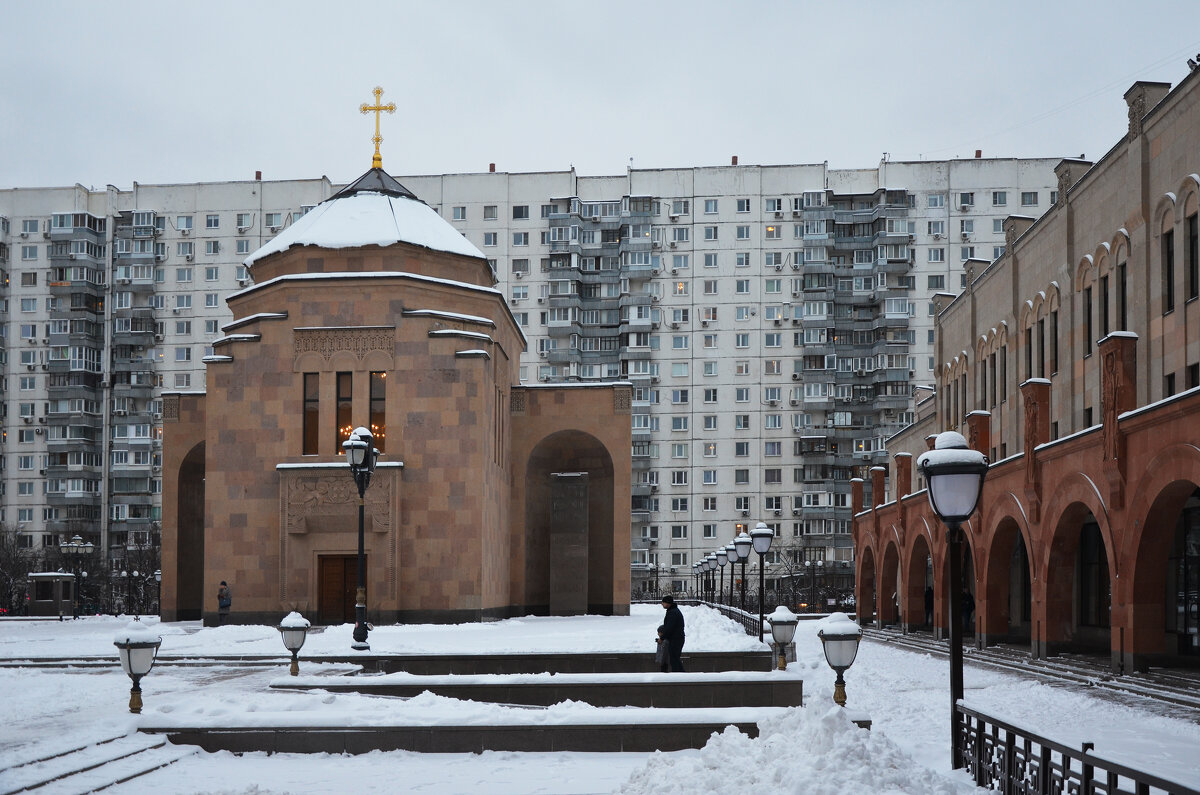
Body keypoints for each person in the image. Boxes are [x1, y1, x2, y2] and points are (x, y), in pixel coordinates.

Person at [656, 594, 685, 672]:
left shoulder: (672, 613)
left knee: (674, 659)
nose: (662, 604)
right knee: (674, 659)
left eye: (663, 602)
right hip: (677, 639)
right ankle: (680, 676)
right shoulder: (673, 611)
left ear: (668, 603)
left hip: (676, 639)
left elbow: (669, 628)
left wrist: (662, 638)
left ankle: (681, 677)